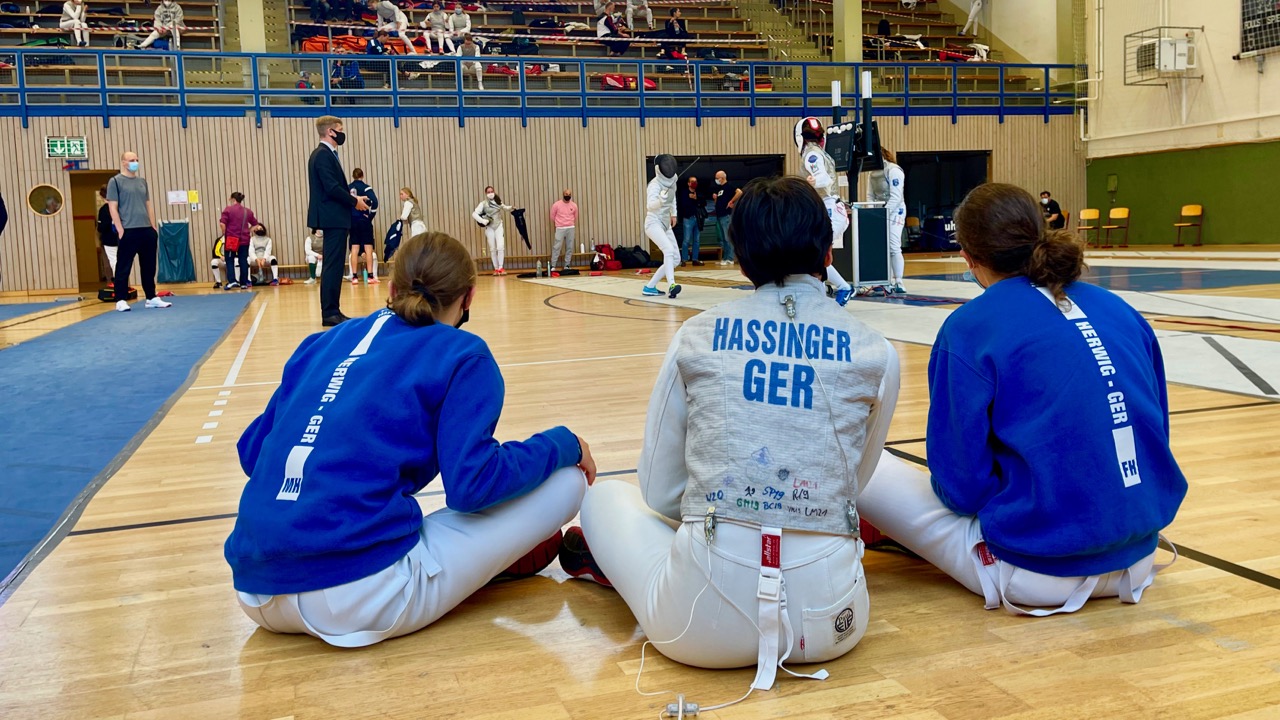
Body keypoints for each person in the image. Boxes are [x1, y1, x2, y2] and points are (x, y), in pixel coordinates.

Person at [562, 175, 899, 696]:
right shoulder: (879, 351)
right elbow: (856, 479)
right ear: (828, 251)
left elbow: (658, 490)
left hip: (697, 629)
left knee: (604, 498)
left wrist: (732, 513)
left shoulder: (696, 334)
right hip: (833, 625)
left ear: (741, 260)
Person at [223, 231, 598, 648]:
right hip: (356, 596)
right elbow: (472, 487)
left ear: (391, 288)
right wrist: (563, 443)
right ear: (468, 298)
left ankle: (475, 560)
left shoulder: (321, 342)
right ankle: (483, 561)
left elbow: (252, 452)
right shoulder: (464, 353)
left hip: (255, 590)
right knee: (568, 482)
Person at [858, 183, 1187, 616]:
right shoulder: (1119, 308)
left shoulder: (969, 327)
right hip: (1139, 556)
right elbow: (1154, 430)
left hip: (1035, 570)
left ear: (968, 257)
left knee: (861, 458)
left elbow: (961, 491)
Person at [308, 114, 370, 327]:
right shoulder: (323, 155)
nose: (343, 134)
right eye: (340, 130)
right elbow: (332, 188)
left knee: (334, 265)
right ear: (330, 131)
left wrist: (354, 198)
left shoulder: (326, 154)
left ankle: (333, 310)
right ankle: (330, 312)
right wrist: (354, 201)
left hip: (334, 217)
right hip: (332, 217)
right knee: (332, 266)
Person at [795, 117, 855, 306]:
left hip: (830, 211)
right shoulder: (820, 152)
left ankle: (843, 288)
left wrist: (814, 181)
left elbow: (823, 178)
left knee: (814, 253)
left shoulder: (811, 154)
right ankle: (822, 292)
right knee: (810, 253)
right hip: (827, 210)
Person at [107, 151, 171, 312]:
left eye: (136, 159)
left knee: (149, 266)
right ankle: (120, 299)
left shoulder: (142, 182)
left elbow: (148, 204)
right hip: (128, 230)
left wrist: (152, 226)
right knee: (123, 267)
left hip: (146, 230)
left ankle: (151, 297)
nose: (135, 162)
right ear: (123, 162)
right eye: (131, 160)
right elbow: (112, 207)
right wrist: (120, 229)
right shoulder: (115, 182)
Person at [640, 155, 681, 299]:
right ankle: (672, 285)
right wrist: (659, 201)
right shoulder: (654, 185)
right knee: (668, 250)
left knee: (676, 259)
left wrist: (673, 214)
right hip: (653, 223)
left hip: (665, 223)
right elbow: (650, 206)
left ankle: (650, 287)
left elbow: (673, 197)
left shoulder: (673, 180)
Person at [868, 148, 907, 293]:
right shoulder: (872, 173)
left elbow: (896, 197)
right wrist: (872, 213)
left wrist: (883, 213)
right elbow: (870, 196)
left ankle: (899, 281)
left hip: (896, 211)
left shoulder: (894, 170)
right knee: (880, 247)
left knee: (893, 245)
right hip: (880, 212)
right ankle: (884, 280)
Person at [219, 192, 258, 290]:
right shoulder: (248, 211)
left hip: (231, 239)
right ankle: (244, 283)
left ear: (233, 199)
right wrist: (248, 230)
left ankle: (232, 281)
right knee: (243, 260)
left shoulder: (228, 209)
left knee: (229, 260)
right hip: (244, 239)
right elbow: (256, 225)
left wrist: (224, 233)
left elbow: (222, 224)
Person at [348, 168, 380, 284]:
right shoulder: (366, 188)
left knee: (354, 248)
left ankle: (354, 277)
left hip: (353, 221)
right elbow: (375, 202)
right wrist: (370, 216)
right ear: (362, 176)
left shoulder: (348, 188)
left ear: (353, 176)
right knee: (368, 248)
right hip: (364, 220)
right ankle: (371, 276)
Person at [472, 186, 513, 276]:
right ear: (486, 193)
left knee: (500, 246)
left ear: (494, 191)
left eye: (492, 191)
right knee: (493, 249)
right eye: (488, 192)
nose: (490, 193)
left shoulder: (498, 201)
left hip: (498, 225)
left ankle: (501, 267)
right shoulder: (483, 203)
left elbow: (504, 207)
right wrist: (482, 221)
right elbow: (474, 214)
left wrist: (511, 207)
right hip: (489, 227)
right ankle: (496, 268)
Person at [712, 170, 742, 265]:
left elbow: (739, 192)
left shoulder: (729, 186)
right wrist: (715, 199)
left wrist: (732, 201)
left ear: (722, 178)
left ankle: (730, 258)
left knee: (727, 237)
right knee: (723, 238)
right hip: (720, 215)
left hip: (726, 215)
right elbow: (718, 203)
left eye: (717, 178)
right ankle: (725, 258)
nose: (716, 180)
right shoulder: (719, 189)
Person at [549, 188, 578, 273]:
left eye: (569, 194)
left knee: (569, 247)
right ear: (563, 194)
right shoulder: (556, 205)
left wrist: (569, 223)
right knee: (556, 247)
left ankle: (567, 265)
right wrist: (559, 223)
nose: (567, 196)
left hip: (570, 227)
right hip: (560, 228)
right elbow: (552, 216)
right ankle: (553, 265)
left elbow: (575, 216)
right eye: (566, 194)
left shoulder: (574, 205)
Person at [676, 175, 703, 267]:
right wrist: (689, 198)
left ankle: (695, 259)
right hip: (688, 218)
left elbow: (703, 202)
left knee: (697, 240)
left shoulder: (698, 192)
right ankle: (684, 259)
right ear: (688, 183)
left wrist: (696, 199)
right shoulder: (684, 193)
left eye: (695, 181)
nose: (694, 183)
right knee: (686, 240)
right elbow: (681, 204)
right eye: (692, 181)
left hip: (697, 218)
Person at [96, 184, 117, 275]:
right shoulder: (120, 206)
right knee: (122, 261)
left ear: (102, 196)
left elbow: (101, 228)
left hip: (109, 240)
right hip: (122, 238)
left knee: (113, 261)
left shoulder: (104, 210)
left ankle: (119, 281)